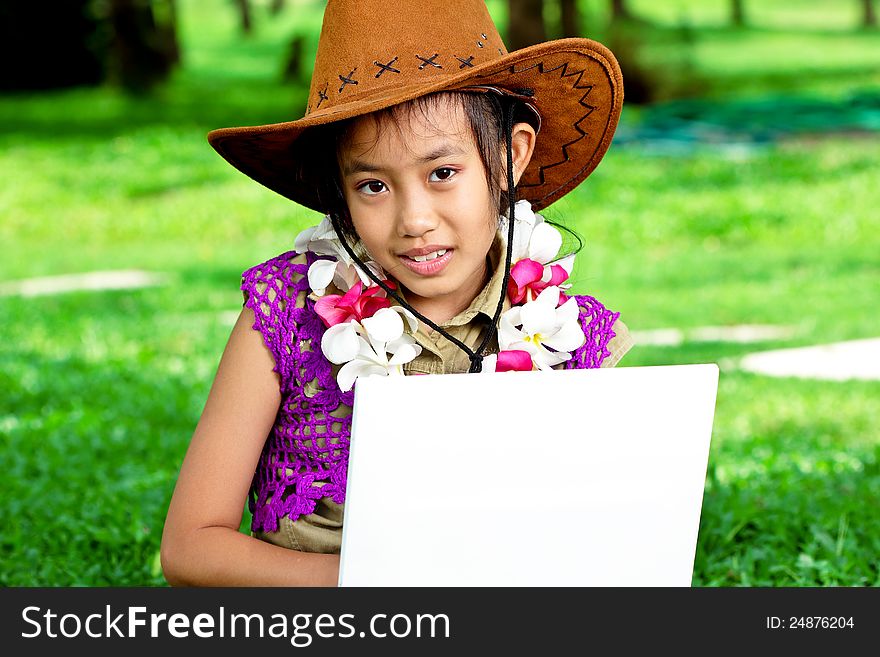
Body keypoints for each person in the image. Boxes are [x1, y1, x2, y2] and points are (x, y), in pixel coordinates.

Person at [161, 0, 632, 587]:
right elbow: (190, 549)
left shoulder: (565, 335)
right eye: (373, 185)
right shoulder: (286, 313)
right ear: (339, 187)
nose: (414, 220)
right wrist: (378, 583)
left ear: (511, 155)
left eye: (442, 173)